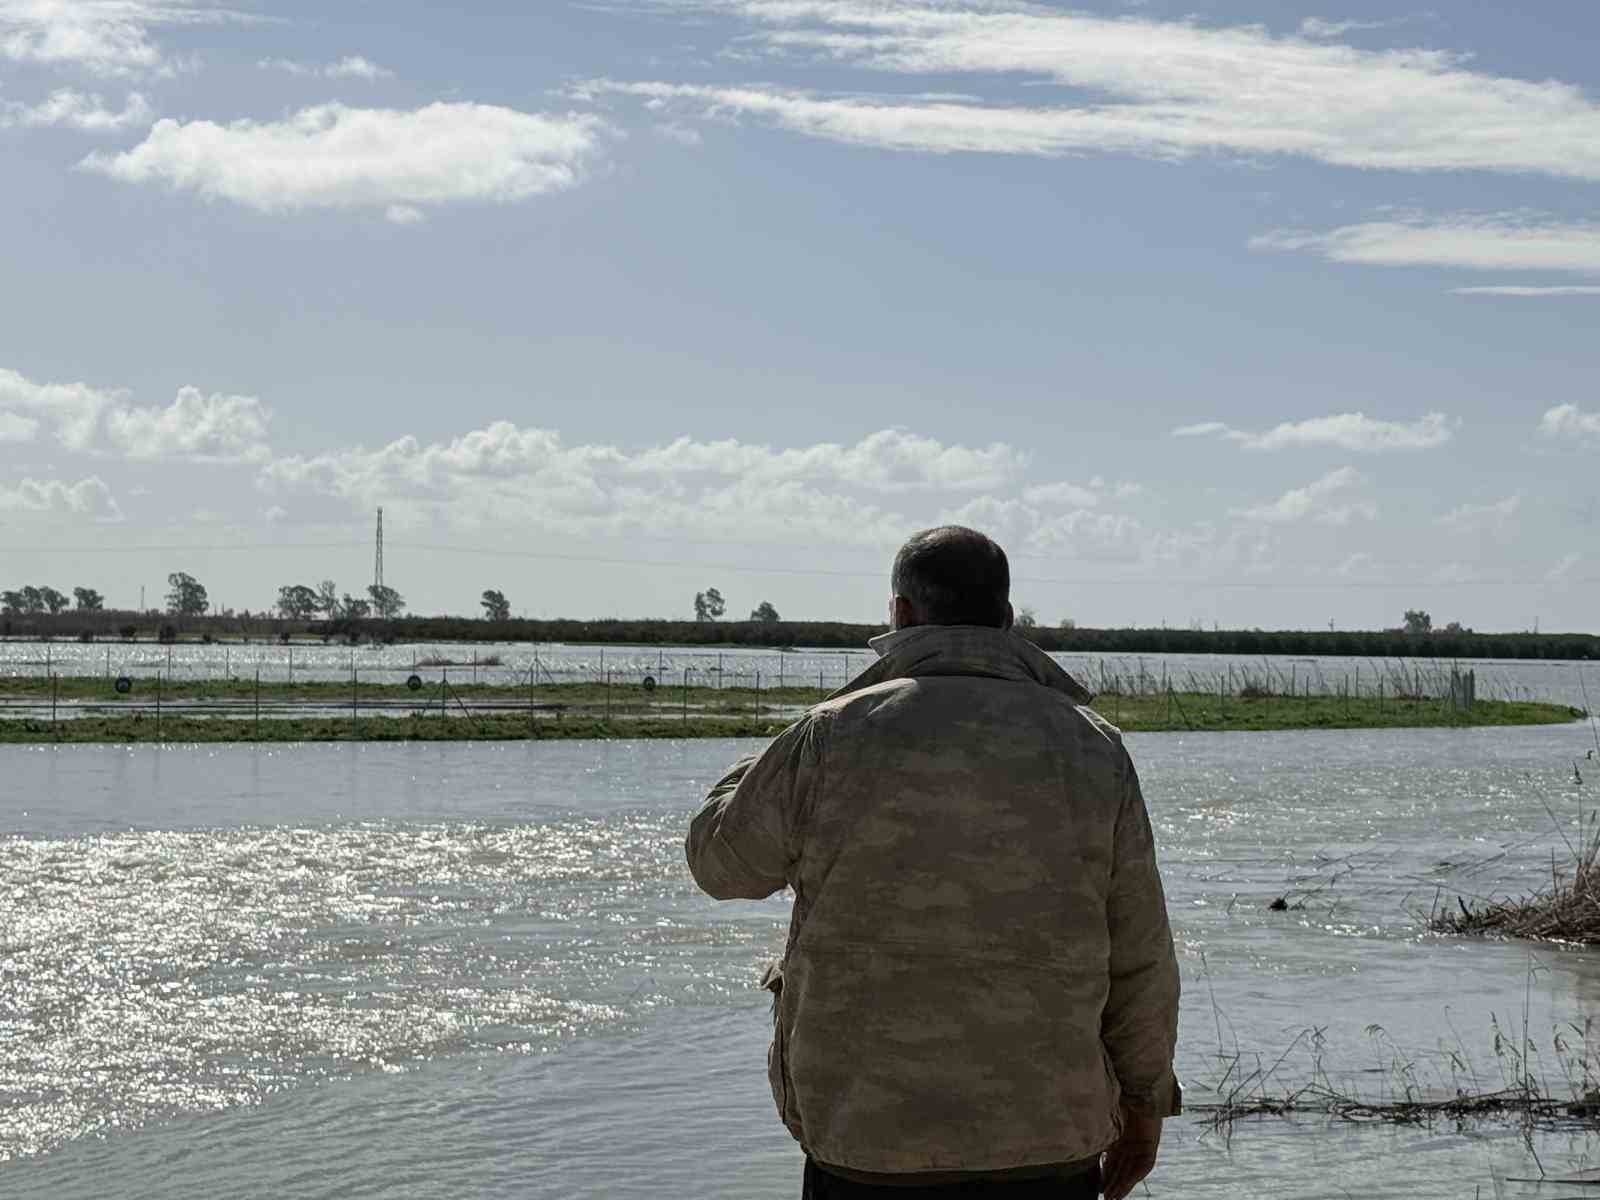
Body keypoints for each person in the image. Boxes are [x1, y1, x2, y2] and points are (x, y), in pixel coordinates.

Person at [687, 526, 1180, 1199]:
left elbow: (721, 866)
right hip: (1046, 1142)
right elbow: (1141, 954)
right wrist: (1144, 1108)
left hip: (865, 1141)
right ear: (1007, 620)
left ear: (900, 615)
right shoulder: (1091, 746)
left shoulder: (831, 734)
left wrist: (771, 754)